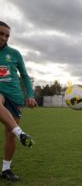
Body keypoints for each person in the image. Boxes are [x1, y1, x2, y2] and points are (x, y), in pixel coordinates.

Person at [0, 21, 37, 182]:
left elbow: (25, 76)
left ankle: (6, 169)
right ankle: (21, 133)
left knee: (10, 135)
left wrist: (30, 95)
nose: (3, 37)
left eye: (7, 35)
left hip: (14, 97)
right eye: (1, 34)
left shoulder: (14, 54)